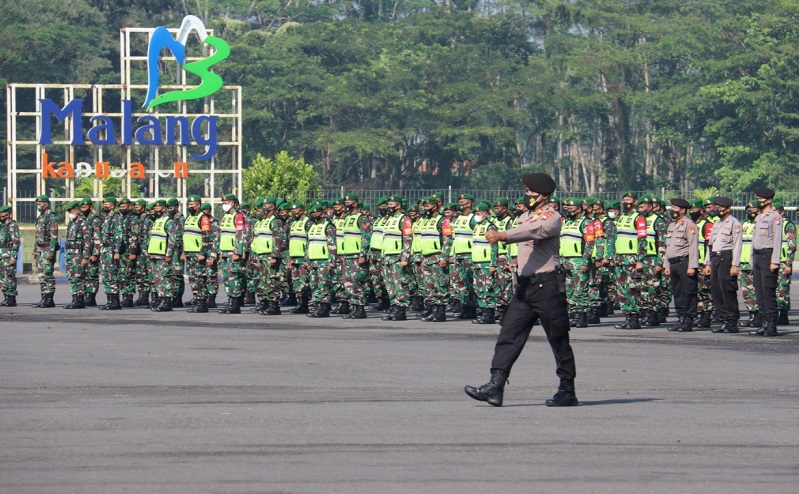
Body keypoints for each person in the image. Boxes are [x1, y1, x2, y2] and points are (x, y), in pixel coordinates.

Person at [464, 172, 578, 408]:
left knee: (558, 339)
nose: (526, 195)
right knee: (508, 334)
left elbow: (536, 232)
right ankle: (495, 386)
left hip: (547, 286)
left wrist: (503, 236)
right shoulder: (524, 215)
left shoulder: (552, 216)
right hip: (525, 287)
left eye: (530, 192)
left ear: (543, 195)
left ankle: (567, 390)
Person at [749, 188, 782, 337]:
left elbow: (777, 240)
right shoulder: (759, 217)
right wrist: (751, 259)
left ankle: (771, 324)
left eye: (761, 199)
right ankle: (763, 323)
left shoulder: (774, 217)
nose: (758, 201)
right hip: (757, 256)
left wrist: (774, 261)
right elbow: (754, 240)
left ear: (769, 200)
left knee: (768, 291)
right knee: (759, 292)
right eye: (757, 198)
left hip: (768, 256)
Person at [706, 197, 742, 333]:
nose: (717, 210)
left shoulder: (734, 223)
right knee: (716, 290)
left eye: (719, 207)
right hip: (715, 257)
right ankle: (724, 319)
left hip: (726, 258)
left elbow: (737, 245)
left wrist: (735, 264)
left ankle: (732, 321)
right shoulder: (716, 223)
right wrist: (707, 263)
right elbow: (710, 244)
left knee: (727, 290)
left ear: (727, 209)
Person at [663, 198, 699, 332]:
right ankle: (681, 317)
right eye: (672, 207)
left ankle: (689, 319)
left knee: (688, 291)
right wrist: (666, 265)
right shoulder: (672, 225)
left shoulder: (689, 225)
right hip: (673, 263)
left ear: (683, 210)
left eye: (676, 208)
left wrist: (692, 266)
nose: (673, 210)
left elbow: (693, 246)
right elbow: (668, 247)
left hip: (685, 262)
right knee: (677, 292)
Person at [63, 200, 92, 309]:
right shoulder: (71, 224)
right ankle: (74, 298)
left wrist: (85, 257)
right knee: (71, 277)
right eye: (69, 211)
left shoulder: (84, 223)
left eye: (72, 211)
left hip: (79, 254)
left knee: (79, 277)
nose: (71, 213)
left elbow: (87, 241)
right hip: (70, 254)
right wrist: (66, 256)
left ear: (78, 210)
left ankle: (80, 299)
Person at [32, 194, 58, 308]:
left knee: (47, 275)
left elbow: (54, 236)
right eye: (37, 204)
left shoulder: (51, 216)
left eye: (40, 204)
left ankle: (49, 299)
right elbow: (37, 235)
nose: (38, 206)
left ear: (46, 204)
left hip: (47, 248)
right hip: (40, 249)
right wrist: (34, 250)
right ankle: (43, 297)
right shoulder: (41, 217)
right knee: (41, 275)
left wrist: (51, 252)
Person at [0, 205, 21, 307]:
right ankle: (6, 296)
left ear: (7, 214)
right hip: (1, 254)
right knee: (2, 277)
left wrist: (13, 257)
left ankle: (11, 297)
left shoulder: (12, 225)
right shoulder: (2, 225)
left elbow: (16, 242)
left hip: (8, 254)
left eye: (2, 213)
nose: (0, 215)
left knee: (10, 276)